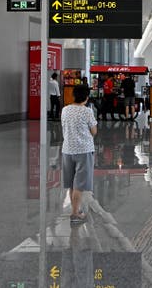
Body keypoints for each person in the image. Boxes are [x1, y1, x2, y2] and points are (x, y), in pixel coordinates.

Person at [61, 84, 97, 225]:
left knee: (71, 183)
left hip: (67, 150)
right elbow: (94, 131)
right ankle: (75, 214)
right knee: (79, 184)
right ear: (87, 97)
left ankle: (75, 210)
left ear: (74, 95)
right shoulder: (86, 111)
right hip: (83, 150)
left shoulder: (65, 110)